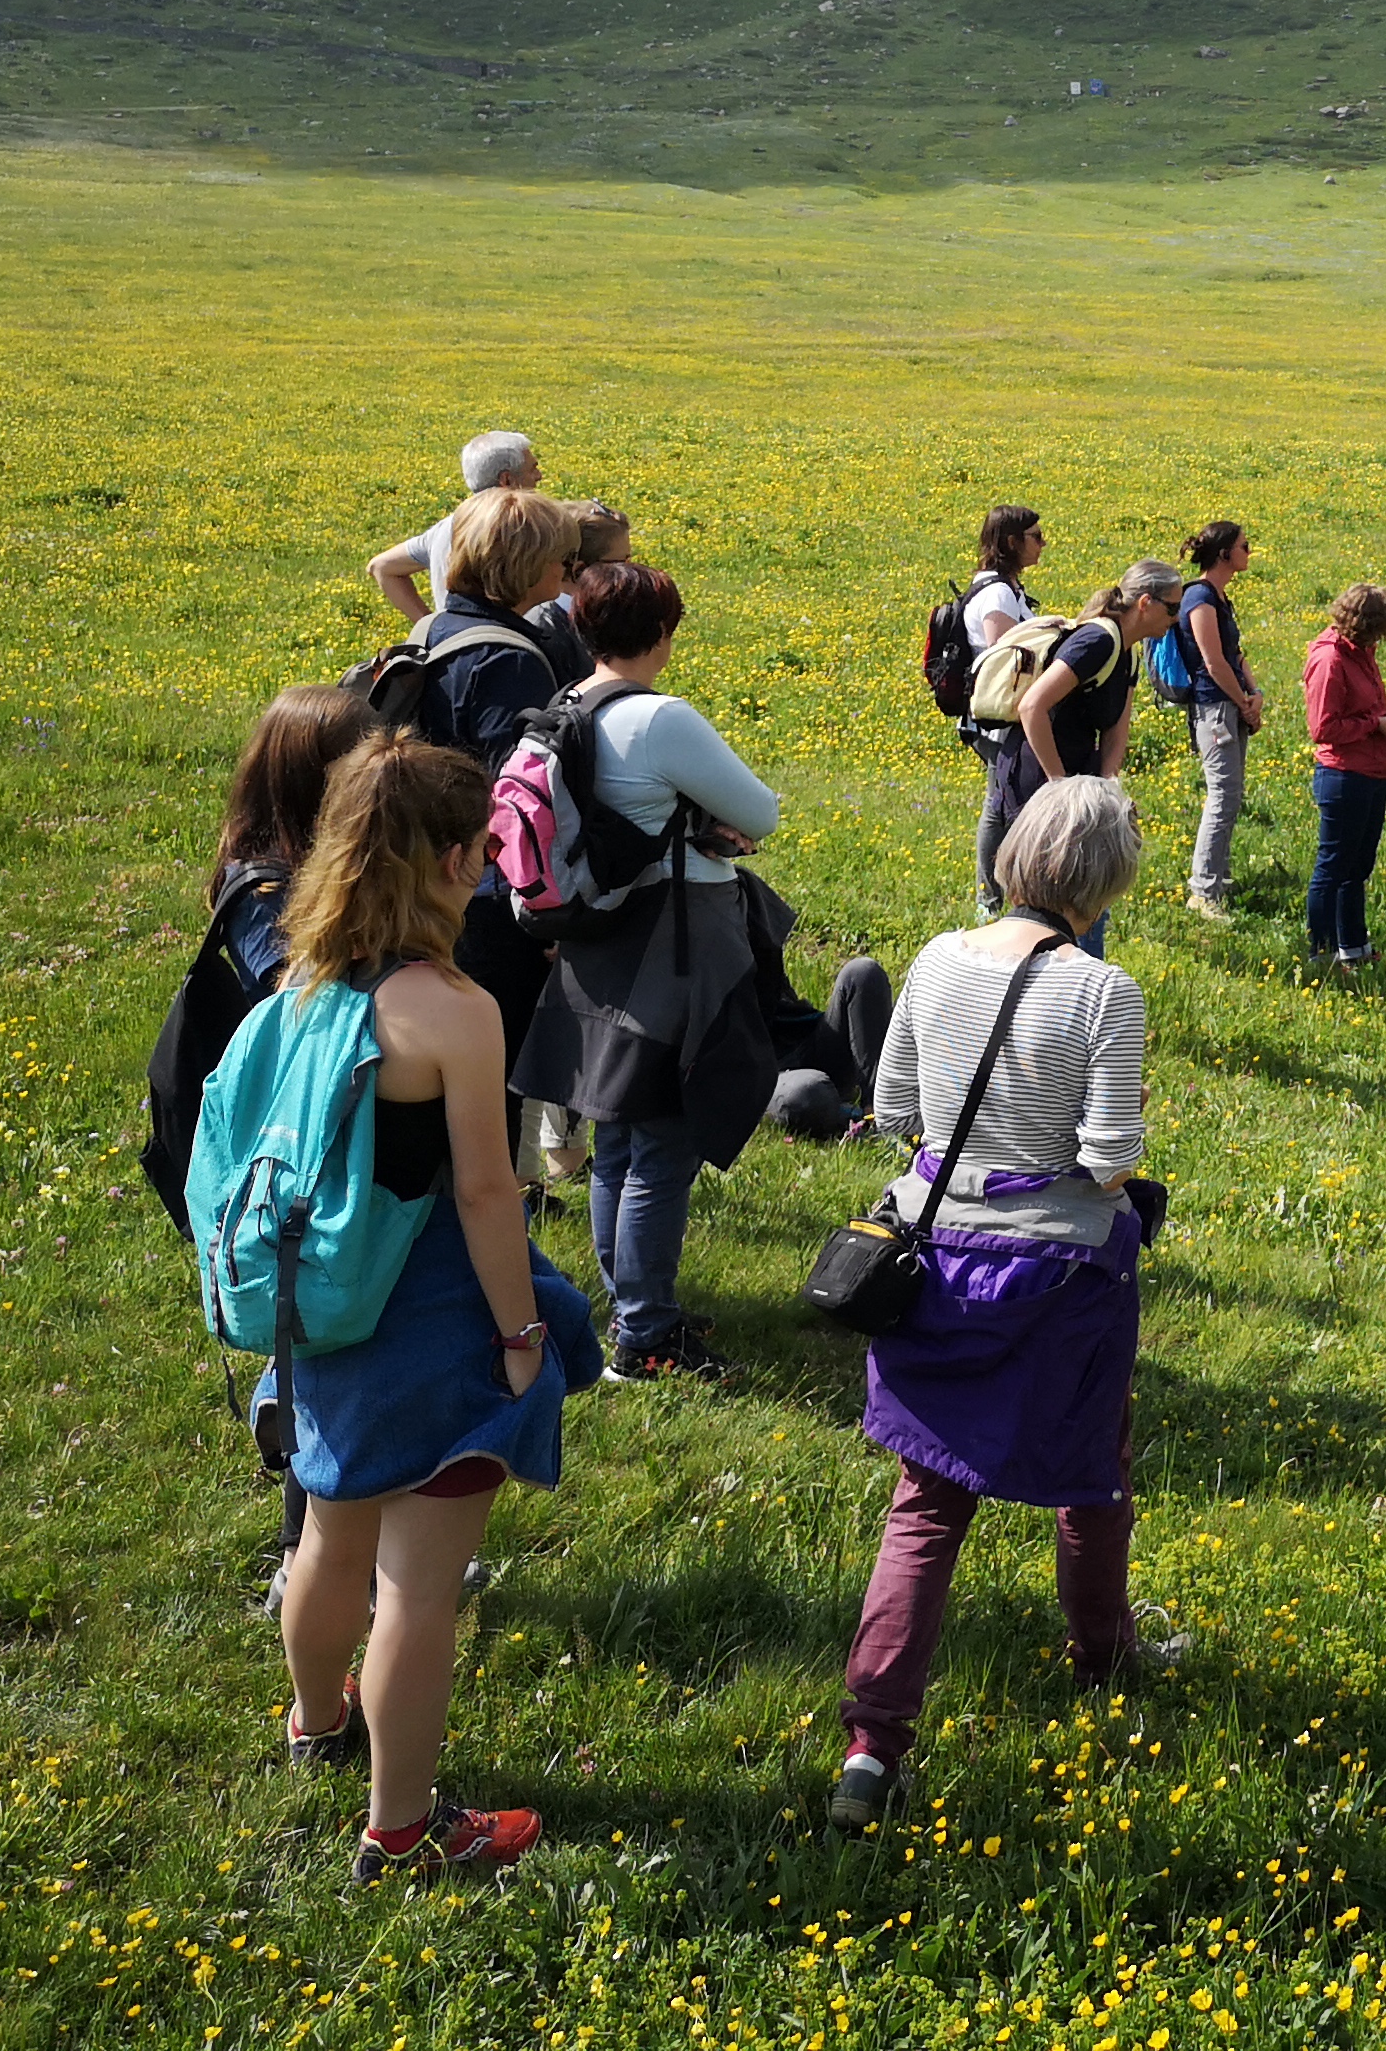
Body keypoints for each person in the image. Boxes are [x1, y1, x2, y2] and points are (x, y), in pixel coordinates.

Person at [243, 736, 604, 1883]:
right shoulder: (451, 1006)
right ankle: (400, 1834)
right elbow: (489, 1192)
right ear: (452, 858)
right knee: (418, 1589)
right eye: (489, 848)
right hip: (431, 1315)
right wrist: (518, 1335)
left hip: (320, 1314)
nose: (497, 867)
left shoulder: (301, 979)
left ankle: (315, 1723)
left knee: (330, 1537)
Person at [832, 778, 1177, 1833]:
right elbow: (1109, 1154)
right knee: (1090, 1474)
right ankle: (1101, 1651)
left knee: (925, 1505)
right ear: (1108, 877)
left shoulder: (936, 959)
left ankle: (870, 1746)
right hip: (1056, 1276)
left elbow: (893, 1109)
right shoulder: (1101, 992)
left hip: (933, 1259)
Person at [507, 561, 873, 1382]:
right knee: (664, 1148)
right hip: (673, 948)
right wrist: (709, 822)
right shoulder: (659, 719)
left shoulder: (568, 707)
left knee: (617, 1137)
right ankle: (644, 1339)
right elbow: (764, 813)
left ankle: (633, 1304)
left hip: (598, 940)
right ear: (664, 635)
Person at [144, 684, 385, 1233]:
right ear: (321, 779)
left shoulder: (316, 857)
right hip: (297, 1105)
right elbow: (294, 991)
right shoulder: (261, 885)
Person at [416, 490, 578, 1063]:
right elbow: (518, 804)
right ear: (524, 564)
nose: (567, 568)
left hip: (427, 878)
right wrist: (545, 909)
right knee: (499, 1071)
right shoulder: (510, 661)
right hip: (487, 904)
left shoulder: (434, 630)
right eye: (559, 557)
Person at [990, 562, 1184, 943]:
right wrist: (1060, 788)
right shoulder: (1098, 641)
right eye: (1173, 608)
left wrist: (1109, 793)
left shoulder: (1128, 652)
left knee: (1087, 889)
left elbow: (1116, 730)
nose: (1177, 619)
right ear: (1146, 602)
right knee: (1048, 895)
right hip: (1038, 775)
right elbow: (1033, 707)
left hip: (1077, 778)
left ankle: (1078, 970)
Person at [1302, 582, 1386, 968]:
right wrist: (1372, 725)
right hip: (1344, 776)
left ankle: (1354, 947)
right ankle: (1321, 954)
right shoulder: (1330, 660)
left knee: (1358, 866)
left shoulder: (1361, 652)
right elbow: (1322, 728)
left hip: (1372, 772)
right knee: (1333, 866)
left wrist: (1379, 725)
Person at [1169, 520, 1265, 924]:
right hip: (1214, 708)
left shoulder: (1220, 598)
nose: (1249, 551)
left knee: (1231, 795)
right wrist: (1242, 700)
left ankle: (1217, 880)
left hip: (1231, 703)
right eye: (1244, 545)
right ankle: (1203, 891)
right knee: (1222, 796)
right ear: (1224, 554)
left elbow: (1236, 654)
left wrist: (1254, 693)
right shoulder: (1199, 597)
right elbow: (1212, 660)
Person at [959, 506, 1049, 916]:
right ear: (1012, 542)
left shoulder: (1006, 589)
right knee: (998, 806)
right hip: (999, 716)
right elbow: (1005, 659)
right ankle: (989, 901)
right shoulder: (996, 594)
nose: (1042, 543)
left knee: (1000, 801)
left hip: (1008, 713)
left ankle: (999, 893)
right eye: (1035, 536)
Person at [367, 432, 542, 622]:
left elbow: (382, 566)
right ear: (507, 480)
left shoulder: (445, 528)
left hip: (455, 642)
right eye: (532, 469)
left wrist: (429, 626)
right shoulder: (521, 530)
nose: (539, 476)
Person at [521, 505, 635, 690]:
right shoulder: (544, 631)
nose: (630, 573)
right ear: (580, 570)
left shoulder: (603, 616)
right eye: (621, 563)